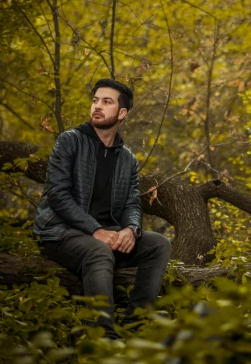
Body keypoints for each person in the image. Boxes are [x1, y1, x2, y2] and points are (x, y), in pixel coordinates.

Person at [34, 79, 171, 339]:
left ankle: (135, 329)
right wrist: (96, 230)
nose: (97, 106)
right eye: (95, 100)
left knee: (158, 244)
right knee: (99, 251)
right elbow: (58, 195)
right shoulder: (70, 142)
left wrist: (131, 229)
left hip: (104, 233)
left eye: (106, 102)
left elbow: (132, 202)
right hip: (60, 231)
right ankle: (104, 338)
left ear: (122, 113)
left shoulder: (127, 158)